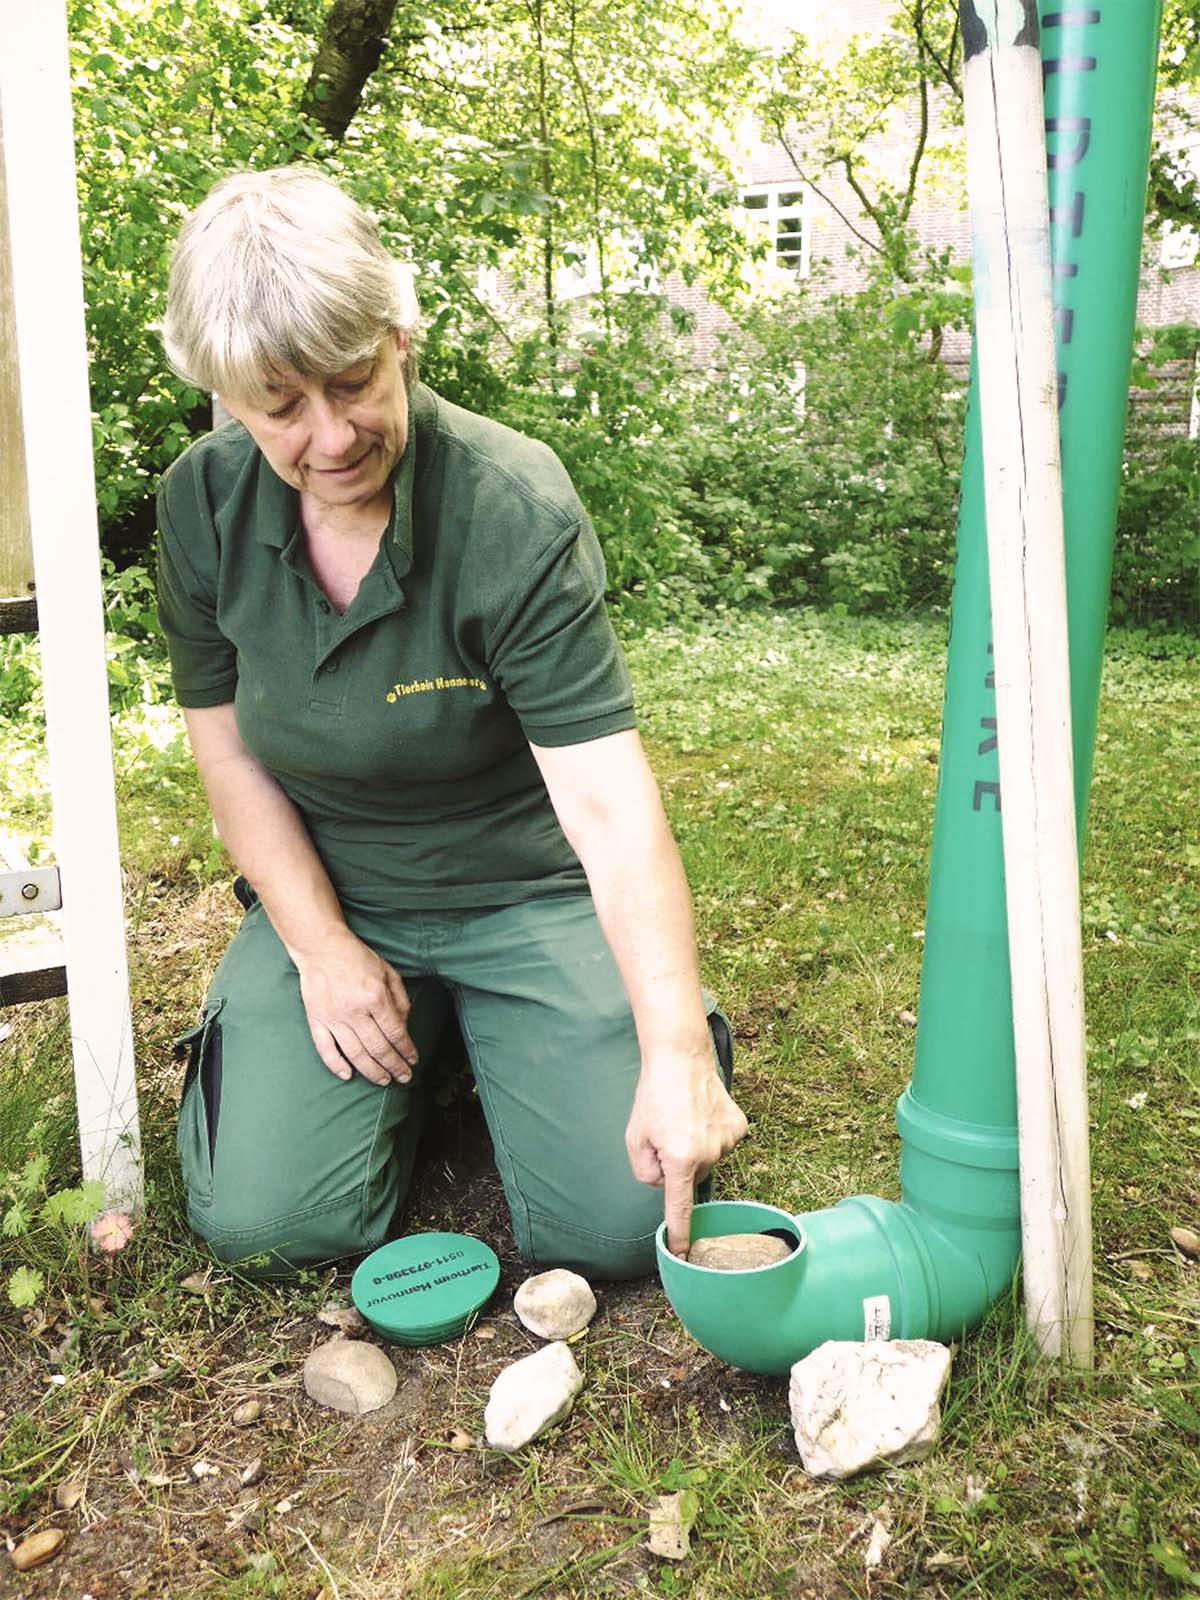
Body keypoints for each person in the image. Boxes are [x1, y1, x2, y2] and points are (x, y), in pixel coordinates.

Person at [156, 165, 746, 1281]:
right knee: (266, 1227)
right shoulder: (200, 504)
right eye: (281, 406)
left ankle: (572, 1026)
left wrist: (671, 1053)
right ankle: (423, 1043)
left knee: (622, 1234)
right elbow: (227, 751)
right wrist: (323, 948)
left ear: (400, 333)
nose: (330, 435)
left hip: (523, 887)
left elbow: (608, 804)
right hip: (335, 891)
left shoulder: (512, 505)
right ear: (225, 395)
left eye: (351, 380)